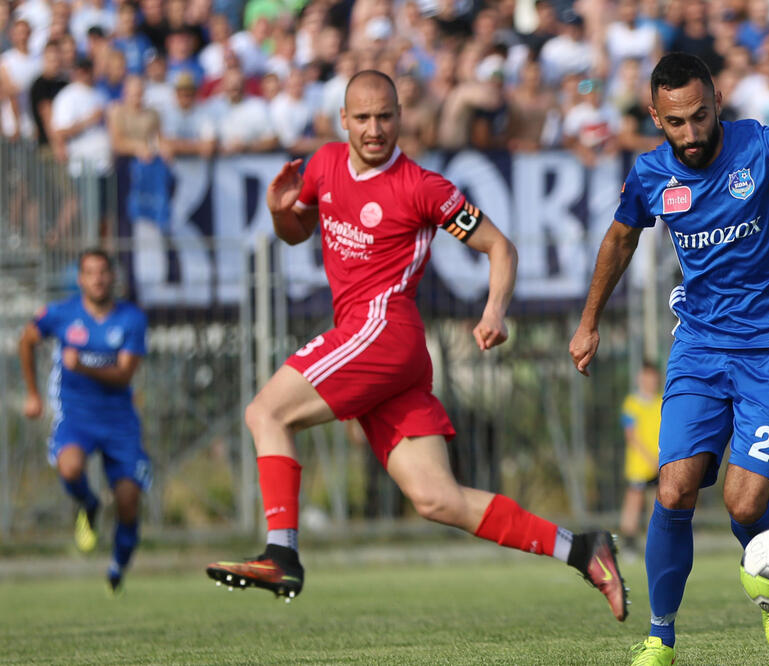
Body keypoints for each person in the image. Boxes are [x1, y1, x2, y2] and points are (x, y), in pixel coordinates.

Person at [204, 70, 628, 623]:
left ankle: (281, 552)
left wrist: (494, 309)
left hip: (382, 330)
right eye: (363, 118)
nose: (374, 128)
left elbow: (500, 246)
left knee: (265, 413)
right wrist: (282, 211)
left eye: (385, 116)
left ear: (400, 117)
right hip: (384, 353)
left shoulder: (423, 187)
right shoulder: (324, 164)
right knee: (437, 498)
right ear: (344, 122)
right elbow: (296, 231)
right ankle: (583, 549)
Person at [568, 53, 769, 664]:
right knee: (674, 487)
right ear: (656, 117)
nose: (691, 133)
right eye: (676, 122)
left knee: (742, 502)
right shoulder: (651, 173)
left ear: (717, 99)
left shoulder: (764, 147)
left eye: (701, 116)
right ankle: (661, 635)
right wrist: (588, 323)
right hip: (701, 344)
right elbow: (621, 236)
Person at [18, 249, 150, 595]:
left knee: (127, 501)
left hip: (120, 421)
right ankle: (89, 506)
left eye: (104, 272)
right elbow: (26, 340)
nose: (98, 279)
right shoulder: (62, 314)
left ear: (113, 277)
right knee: (71, 469)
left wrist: (82, 366)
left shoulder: (132, 319)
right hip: (75, 415)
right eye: (90, 272)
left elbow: (124, 375)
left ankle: (117, 567)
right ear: (80, 279)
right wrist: (33, 394)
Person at [619, 361, 663, 560]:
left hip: (660, 463)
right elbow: (631, 435)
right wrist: (649, 457)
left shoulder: (661, 402)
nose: (650, 381)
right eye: (646, 377)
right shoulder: (632, 403)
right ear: (640, 378)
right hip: (640, 463)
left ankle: (655, 545)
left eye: (653, 377)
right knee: (634, 504)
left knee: (658, 504)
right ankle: (628, 545)